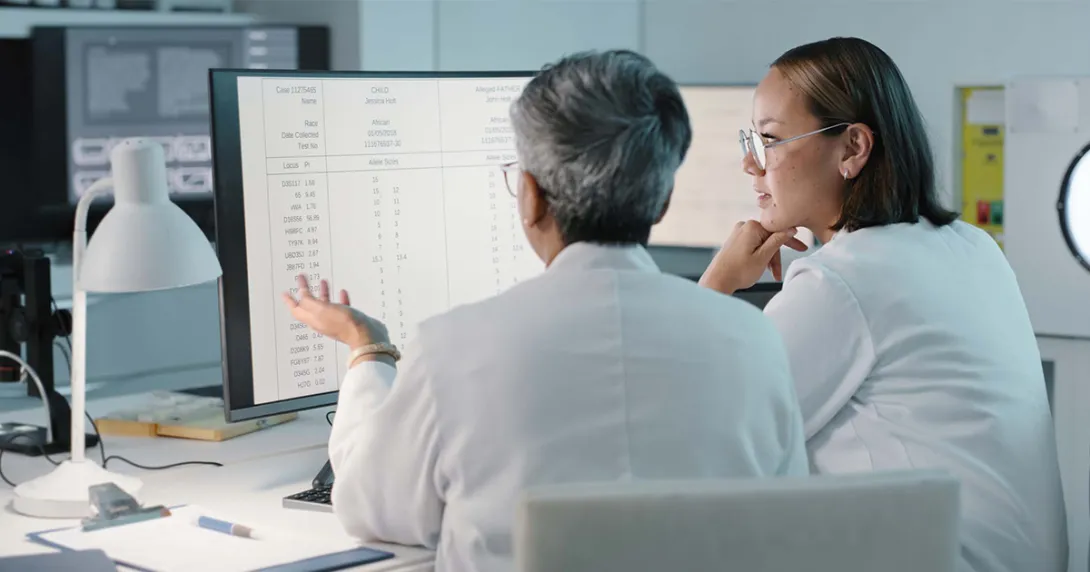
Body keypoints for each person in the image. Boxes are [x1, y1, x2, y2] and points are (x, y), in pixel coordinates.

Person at [282, 50, 809, 572]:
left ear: (530, 197)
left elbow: (369, 508)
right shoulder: (753, 340)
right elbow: (785, 522)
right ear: (662, 200)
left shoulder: (454, 347)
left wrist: (367, 348)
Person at [699, 37, 1068, 572]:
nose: (750, 166)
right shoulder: (972, 244)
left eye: (770, 141)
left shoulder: (841, 282)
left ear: (852, 149)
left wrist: (718, 282)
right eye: (750, 140)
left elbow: (699, 434)